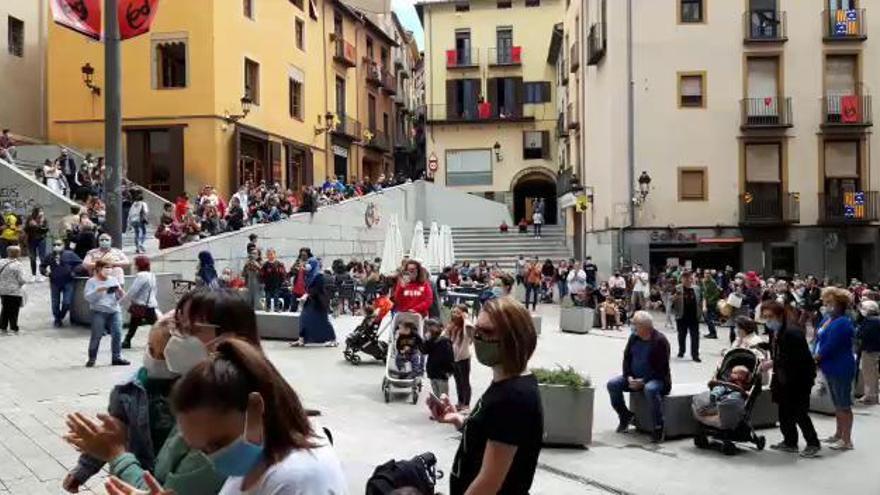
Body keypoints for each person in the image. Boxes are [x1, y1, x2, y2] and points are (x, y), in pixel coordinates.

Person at [104, 338, 346, 495]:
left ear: (257, 408)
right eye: (203, 450)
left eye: (218, 443)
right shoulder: (260, 457)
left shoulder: (296, 480)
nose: (215, 458)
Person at [62, 321, 220, 494]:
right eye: (151, 350)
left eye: (165, 356)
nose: (155, 359)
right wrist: (83, 469)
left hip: (165, 478)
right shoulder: (127, 390)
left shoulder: (193, 395)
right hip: (132, 473)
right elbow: (110, 436)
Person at [431, 297, 542, 494]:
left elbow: (489, 483)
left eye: (487, 331)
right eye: (475, 330)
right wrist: (460, 420)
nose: (477, 338)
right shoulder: (508, 383)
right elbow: (492, 431)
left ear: (514, 338)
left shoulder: (513, 397)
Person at [761, 301, 820, 458]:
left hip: (799, 377)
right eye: (765, 317)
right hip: (783, 376)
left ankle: (813, 443)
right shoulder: (777, 331)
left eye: (770, 317)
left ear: (780, 315)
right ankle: (790, 441)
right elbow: (778, 349)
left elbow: (795, 359)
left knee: (799, 412)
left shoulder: (792, 332)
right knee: (784, 409)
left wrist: (772, 362)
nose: (767, 320)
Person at [607, 311, 672, 443]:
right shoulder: (634, 337)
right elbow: (626, 358)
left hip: (657, 379)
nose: (632, 327)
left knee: (650, 389)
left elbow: (661, 368)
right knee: (613, 384)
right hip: (634, 377)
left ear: (644, 327)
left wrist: (643, 381)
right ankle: (625, 415)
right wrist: (629, 376)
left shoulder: (660, 341)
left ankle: (658, 427)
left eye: (634, 324)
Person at [814, 287, 857, 451]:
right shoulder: (827, 319)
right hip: (828, 366)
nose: (826, 305)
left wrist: (815, 358)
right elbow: (818, 338)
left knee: (844, 405)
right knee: (836, 404)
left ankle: (847, 440)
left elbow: (831, 345)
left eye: (830, 302)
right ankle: (838, 434)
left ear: (840, 304)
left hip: (841, 366)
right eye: (825, 302)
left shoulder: (843, 322)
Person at [84, 258, 130, 367]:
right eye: (106, 268)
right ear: (99, 269)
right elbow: (88, 298)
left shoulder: (113, 279)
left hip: (114, 310)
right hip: (99, 311)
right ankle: (92, 358)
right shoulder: (91, 282)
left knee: (117, 333)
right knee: (97, 335)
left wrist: (119, 292)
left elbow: (121, 296)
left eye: (110, 268)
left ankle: (116, 357)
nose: (108, 270)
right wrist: (99, 291)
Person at [291, 258, 337, 346]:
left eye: (310, 263)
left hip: (319, 302)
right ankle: (301, 339)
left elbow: (317, 289)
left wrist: (307, 295)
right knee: (303, 318)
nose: (308, 265)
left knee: (324, 321)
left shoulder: (319, 276)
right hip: (310, 301)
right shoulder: (308, 275)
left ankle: (333, 340)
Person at [120, 256, 159, 349]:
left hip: (141, 304)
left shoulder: (141, 276)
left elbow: (133, 290)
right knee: (137, 322)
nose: (134, 266)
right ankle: (127, 340)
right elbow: (154, 290)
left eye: (135, 264)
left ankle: (127, 341)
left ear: (138, 265)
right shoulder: (152, 275)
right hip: (149, 303)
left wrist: (122, 301)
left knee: (152, 324)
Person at [41, 240, 82, 327]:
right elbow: (42, 265)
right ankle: (57, 319)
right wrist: (45, 272)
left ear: (63, 245)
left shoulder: (70, 254)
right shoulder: (50, 255)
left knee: (67, 302)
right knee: (55, 302)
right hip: (54, 281)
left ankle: (61, 315)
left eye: (59, 244)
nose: (56, 246)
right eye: (54, 244)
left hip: (68, 281)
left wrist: (74, 272)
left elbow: (79, 264)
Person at [446, 304, 474, 412]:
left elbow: (470, 327)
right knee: (458, 381)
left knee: (465, 381)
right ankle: (460, 402)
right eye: (453, 312)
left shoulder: (466, 327)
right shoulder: (452, 326)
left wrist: (466, 317)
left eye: (458, 313)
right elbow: (444, 336)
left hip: (464, 358)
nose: (455, 315)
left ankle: (466, 404)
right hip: (453, 359)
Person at [672, 270, 703, 362]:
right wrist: (675, 297)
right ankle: (681, 351)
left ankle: (695, 355)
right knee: (681, 335)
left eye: (689, 278)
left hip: (694, 316)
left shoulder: (697, 288)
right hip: (682, 316)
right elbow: (671, 300)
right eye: (685, 278)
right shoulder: (677, 288)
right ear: (682, 279)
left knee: (695, 336)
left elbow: (701, 299)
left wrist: (702, 309)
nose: (687, 280)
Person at [423, 318, 455, 398]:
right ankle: (439, 409)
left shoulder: (445, 341)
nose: (430, 329)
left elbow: (450, 357)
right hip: (432, 372)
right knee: (437, 396)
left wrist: (450, 371)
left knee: (443, 397)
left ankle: (445, 410)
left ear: (440, 328)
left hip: (442, 374)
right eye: (429, 327)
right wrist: (426, 340)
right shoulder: (430, 340)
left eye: (432, 326)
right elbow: (424, 351)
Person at [856, 300, 880, 405]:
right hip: (876, 349)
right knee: (874, 373)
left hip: (869, 349)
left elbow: (860, 334)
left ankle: (870, 396)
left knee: (869, 373)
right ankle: (874, 394)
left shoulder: (869, 321)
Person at [0, 246, 27, 334]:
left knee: (5, 309)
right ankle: (13, 328)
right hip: (14, 291)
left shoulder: (1, 262)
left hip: (2, 290)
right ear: (17, 253)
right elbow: (22, 279)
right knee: (14, 311)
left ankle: (3, 328)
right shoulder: (18, 265)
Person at [24, 207, 50, 280]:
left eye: (42, 211)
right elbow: (25, 229)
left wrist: (37, 225)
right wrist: (30, 225)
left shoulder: (44, 219)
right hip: (31, 240)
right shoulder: (30, 219)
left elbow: (46, 230)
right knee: (32, 258)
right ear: (35, 212)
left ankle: (42, 274)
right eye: (40, 211)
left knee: (42, 257)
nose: (41, 213)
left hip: (42, 239)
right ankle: (33, 275)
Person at [127, 189, 149, 254]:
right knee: (144, 232)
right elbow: (146, 211)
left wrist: (129, 223)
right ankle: (141, 244)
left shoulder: (133, 204)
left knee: (136, 234)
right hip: (140, 219)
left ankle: (137, 248)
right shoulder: (143, 203)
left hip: (133, 220)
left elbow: (130, 213)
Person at [702, 271, 722, 339]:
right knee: (707, 318)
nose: (706, 274)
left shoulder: (712, 282)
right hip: (706, 302)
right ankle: (711, 332)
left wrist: (711, 299)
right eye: (705, 273)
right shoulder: (704, 281)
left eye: (708, 273)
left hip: (711, 303)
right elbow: (704, 292)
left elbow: (717, 293)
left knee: (708, 318)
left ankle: (713, 333)